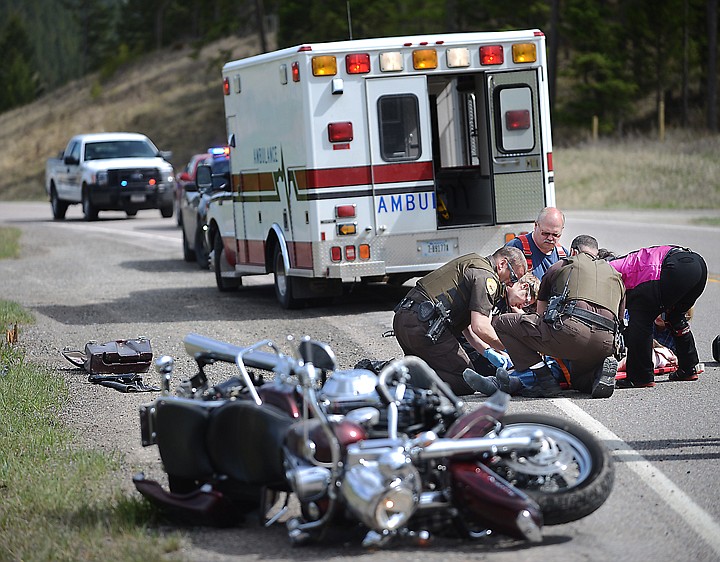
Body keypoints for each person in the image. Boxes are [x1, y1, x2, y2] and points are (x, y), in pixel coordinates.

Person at [465, 245, 625, 398]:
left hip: (567, 340)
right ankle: (598, 375)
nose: (526, 303)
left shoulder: (564, 266)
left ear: (573, 252)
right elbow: (620, 320)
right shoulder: (615, 276)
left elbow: (541, 318)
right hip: (605, 344)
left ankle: (506, 384)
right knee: (579, 381)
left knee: (549, 367)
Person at [392, 246, 527, 395]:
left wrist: (487, 351)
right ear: (502, 264)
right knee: (464, 381)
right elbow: (480, 326)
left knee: (429, 369)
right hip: (424, 326)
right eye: (513, 277)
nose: (510, 283)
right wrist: (511, 348)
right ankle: (391, 376)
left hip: (406, 319)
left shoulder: (473, 261)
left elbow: (467, 327)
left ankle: (394, 374)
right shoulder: (487, 277)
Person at [608, 246, 707, 388]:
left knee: (641, 320)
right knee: (676, 318)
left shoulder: (607, 269)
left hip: (672, 269)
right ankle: (688, 368)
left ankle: (640, 377)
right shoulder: (623, 262)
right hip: (698, 266)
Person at [506, 207, 570, 278]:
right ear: (536, 226)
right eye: (545, 233)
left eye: (555, 235)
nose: (550, 238)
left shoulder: (564, 256)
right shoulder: (516, 247)